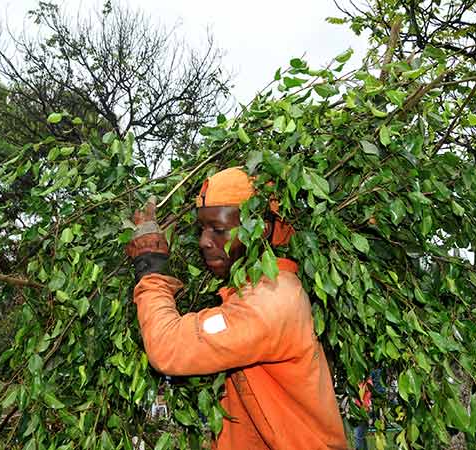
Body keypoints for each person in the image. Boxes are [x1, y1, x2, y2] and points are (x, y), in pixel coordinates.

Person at [126, 167, 348, 450]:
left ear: (260, 229)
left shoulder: (270, 302)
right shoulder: (254, 289)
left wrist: (151, 267)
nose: (204, 241)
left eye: (218, 230)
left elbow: (169, 347)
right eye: (202, 229)